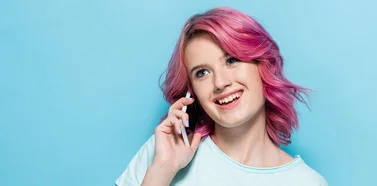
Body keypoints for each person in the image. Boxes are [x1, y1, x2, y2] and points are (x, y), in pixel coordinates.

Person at [115, 7, 327, 186]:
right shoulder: (163, 152)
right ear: (192, 92)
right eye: (202, 73)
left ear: (263, 65)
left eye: (232, 60)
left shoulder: (306, 182)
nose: (220, 83)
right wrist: (162, 171)